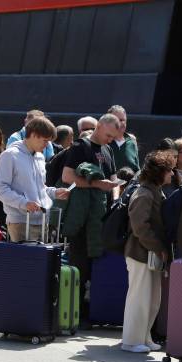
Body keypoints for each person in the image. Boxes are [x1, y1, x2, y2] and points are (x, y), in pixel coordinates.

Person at [61, 113, 122, 326]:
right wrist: (98, 185)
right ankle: (73, 314)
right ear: (100, 126)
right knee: (80, 265)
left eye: (113, 137)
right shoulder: (81, 147)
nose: (110, 140)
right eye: (109, 135)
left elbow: (114, 180)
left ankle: (90, 312)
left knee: (96, 267)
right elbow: (67, 177)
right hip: (82, 219)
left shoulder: (108, 150)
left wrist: (114, 196)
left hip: (101, 217)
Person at [121, 150, 175, 353]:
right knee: (139, 298)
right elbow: (140, 227)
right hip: (140, 253)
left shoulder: (153, 191)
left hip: (148, 254)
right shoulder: (144, 193)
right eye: (169, 170)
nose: (172, 174)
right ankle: (132, 340)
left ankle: (144, 337)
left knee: (152, 299)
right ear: (159, 172)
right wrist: (159, 247)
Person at [0, 117, 70, 242]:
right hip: (20, 222)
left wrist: (54, 193)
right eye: (45, 141)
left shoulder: (39, 157)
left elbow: (40, 188)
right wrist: (23, 203)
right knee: (24, 261)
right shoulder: (10, 155)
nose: (47, 145)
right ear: (34, 135)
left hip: (43, 221)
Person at [107, 105, 140, 172]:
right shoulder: (102, 141)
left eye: (122, 120)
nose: (119, 123)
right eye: (115, 120)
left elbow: (137, 169)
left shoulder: (132, 141)